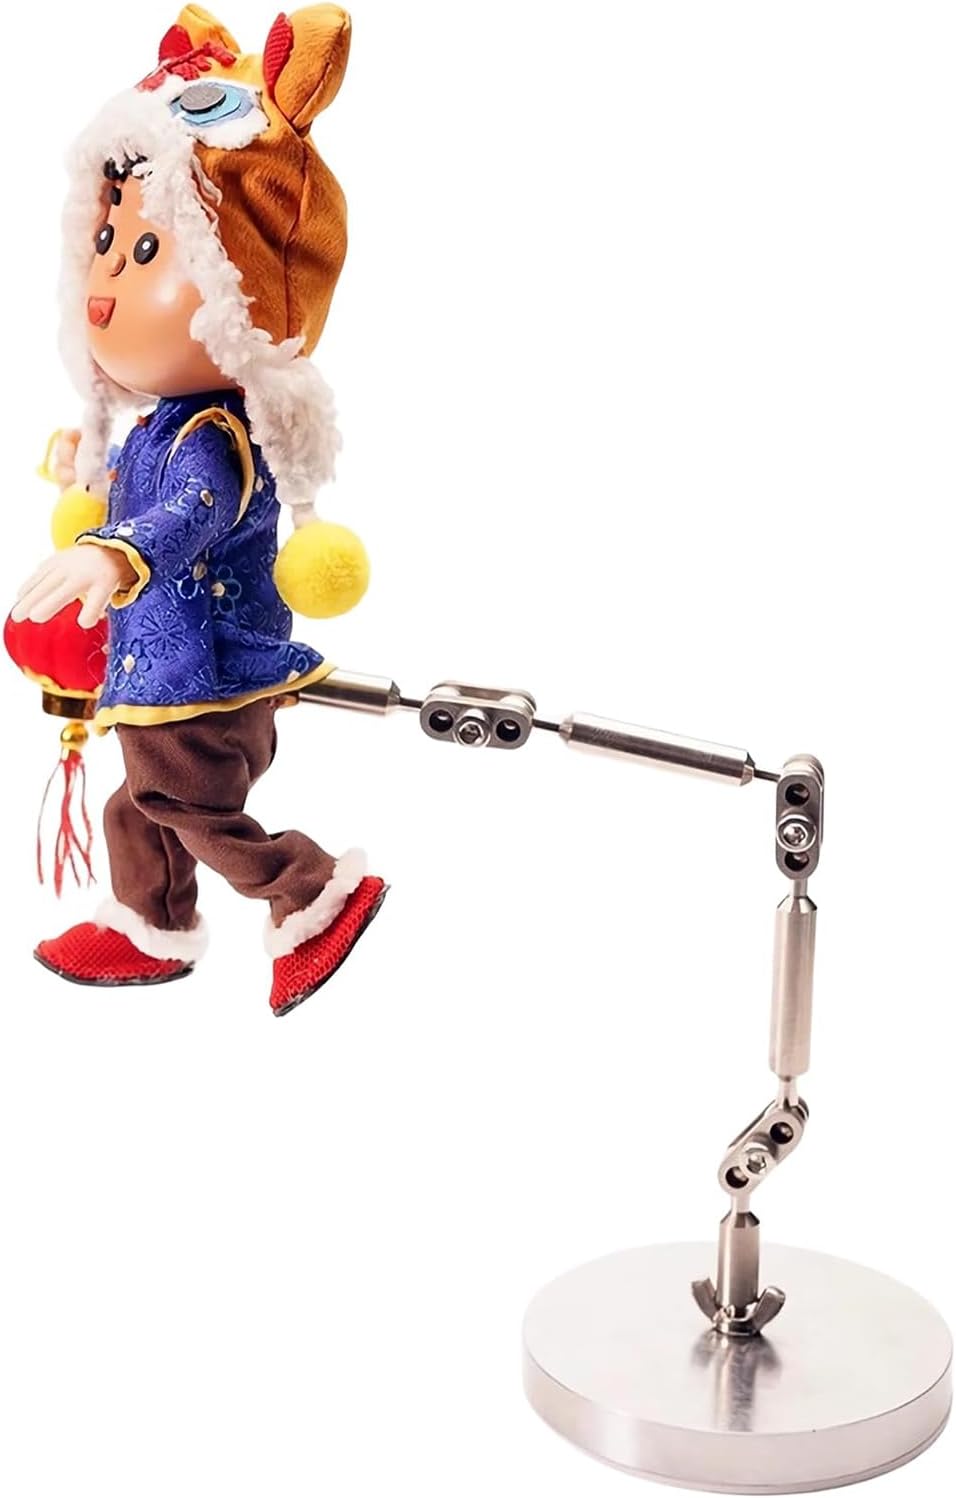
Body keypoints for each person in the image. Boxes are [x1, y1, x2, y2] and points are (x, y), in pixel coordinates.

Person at [11, 5, 386, 1016]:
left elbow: (197, 510)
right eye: (104, 244)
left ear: (242, 291)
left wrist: (114, 553)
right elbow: (143, 491)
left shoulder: (214, 434)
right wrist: (87, 487)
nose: (103, 285)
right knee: (140, 810)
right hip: (161, 676)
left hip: (204, 675)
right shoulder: (155, 426)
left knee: (186, 805)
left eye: (145, 251)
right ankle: (152, 923)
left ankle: (311, 891)